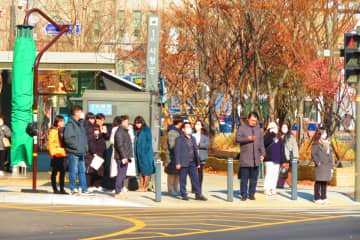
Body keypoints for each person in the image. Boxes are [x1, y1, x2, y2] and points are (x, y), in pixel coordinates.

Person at [235, 112, 265, 201]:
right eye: (252, 120)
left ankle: (252, 193)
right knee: (244, 178)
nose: (253, 122)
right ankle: (243, 194)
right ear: (248, 119)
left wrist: (263, 154)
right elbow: (237, 139)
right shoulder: (242, 128)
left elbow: (261, 143)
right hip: (245, 158)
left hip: (256, 158)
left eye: (255, 121)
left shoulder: (258, 129)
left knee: (254, 178)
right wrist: (247, 139)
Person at [175, 122, 207, 201]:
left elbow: (195, 151)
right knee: (183, 179)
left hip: (192, 162)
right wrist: (178, 162)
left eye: (190, 127)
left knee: (195, 179)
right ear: (183, 129)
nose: (189, 129)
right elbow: (177, 151)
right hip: (183, 162)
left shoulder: (193, 138)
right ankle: (184, 194)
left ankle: (198, 194)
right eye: (187, 127)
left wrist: (198, 163)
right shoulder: (179, 139)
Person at [64, 105, 89, 195]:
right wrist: (76, 147)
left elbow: (83, 137)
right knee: (73, 171)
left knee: (82, 171)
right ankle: (73, 188)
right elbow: (67, 138)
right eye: (80, 111)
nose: (82, 113)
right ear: (76, 112)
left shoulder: (80, 124)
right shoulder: (70, 124)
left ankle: (83, 188)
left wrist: (84, 148)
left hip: (80, 151)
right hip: (74, 152)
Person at [83, 113, 106, 192]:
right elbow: (91, 140)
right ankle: (90, 185)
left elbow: (107, 137)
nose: (102, 121)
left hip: (101, 150)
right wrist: (98, 134)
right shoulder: (93, 127)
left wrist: (104, 133)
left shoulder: (102, 127)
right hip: (94, 150)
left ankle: (97, 185)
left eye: (103, 120)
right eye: (100, 120)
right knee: (92, 168)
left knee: (100, 169)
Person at [311, 127, 333, 204]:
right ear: (319, 134)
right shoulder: (316, 144)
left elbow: (330, 155)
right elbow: (313, 154)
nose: (325, 135)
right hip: (320, 166)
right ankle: (317, 197)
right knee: (318, 182)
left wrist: (331, 166)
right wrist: (318, 163)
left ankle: (324, 196)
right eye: (323, 133)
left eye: (325, 133)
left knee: (324, 182)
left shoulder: (328, 143)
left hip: (327, 166)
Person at [114, 115, 133, 199]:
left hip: (125, 156)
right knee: (121, 174)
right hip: (122, 157)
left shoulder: (124, 131)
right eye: (126, 121)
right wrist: (124, 157)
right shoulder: (120, 132)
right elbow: (120, 145)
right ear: (122, 122)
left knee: (123, 174)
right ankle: (117, 192)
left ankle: (120, 191)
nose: (128, 122)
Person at [134, 116, 155, 192]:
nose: (137, 124)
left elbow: (149, 141)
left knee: (146, 169)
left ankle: (144, 186)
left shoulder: (146, 129)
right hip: (138, 153)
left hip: (146, 153)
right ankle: (141, 185)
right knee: (140, 169)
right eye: (136, 123)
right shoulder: (135, 131)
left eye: (138, 123)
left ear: (142, 122)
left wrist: (145, 151)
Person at [48, 115, 68, 194]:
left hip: (62, 153)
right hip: (56, 154)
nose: (63, 122)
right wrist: (53, 154)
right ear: (57, 122)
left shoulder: (62, 130)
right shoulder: (53, 131)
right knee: (55, 172)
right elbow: (50, 143)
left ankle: (62, 188)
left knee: (63, 172)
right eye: (61, 121)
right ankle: (55, 189)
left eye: (63, 121)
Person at [263, 122, 283, 196]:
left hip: (277, 158)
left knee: (275, 174)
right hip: (269, 158)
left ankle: (272, 187)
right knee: (269, 173)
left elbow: (281, 148)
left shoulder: (279, 137)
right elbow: (264, 143)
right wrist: (271, 134)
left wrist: (282, 159)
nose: (274, 129)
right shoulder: (266, 136)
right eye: (272, 127)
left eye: (275, 127)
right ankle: (266, 188)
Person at [165, 116, 183, 196]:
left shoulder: (180, 132)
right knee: (171, 174)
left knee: (177, 174)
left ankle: (176, 188)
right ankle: (170, 189)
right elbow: (172, 145)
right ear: (179, 122)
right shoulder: (172, 132)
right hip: (172, 157)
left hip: (179, 156)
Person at [278, 122, 299, 188]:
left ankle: (283, 184)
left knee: (285, 170)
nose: (284, 129)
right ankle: (283, 184)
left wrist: (295, 156)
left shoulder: (291, 137)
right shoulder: (278, 136)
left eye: (285, 127)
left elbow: (295, 147)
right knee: (282, 170)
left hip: (287, 156)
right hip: (278, 156)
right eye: (283, 127)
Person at [192, 120, 210, 191]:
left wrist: (199, 144)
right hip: (192, 156)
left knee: (200, 172)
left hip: (201, 156)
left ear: (202, 126)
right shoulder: (192, 135)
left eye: (199, 124)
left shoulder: (205, 136)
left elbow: (206, 145)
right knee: (193, 172)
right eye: (196, 124)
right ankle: (193, 187)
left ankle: (199, 187)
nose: (197, 125)